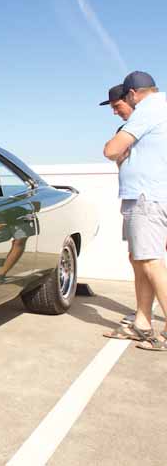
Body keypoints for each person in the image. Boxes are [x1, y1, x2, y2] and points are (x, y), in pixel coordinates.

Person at [102, 71, 167, 351]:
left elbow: (111, 150)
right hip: (149, 196)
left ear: (132, 94)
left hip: (146, 198)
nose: (116, 111)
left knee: (150, 262)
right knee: (141, 260)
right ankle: (142, 323)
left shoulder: (148, 109)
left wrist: (114, 150)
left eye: (119, 105)